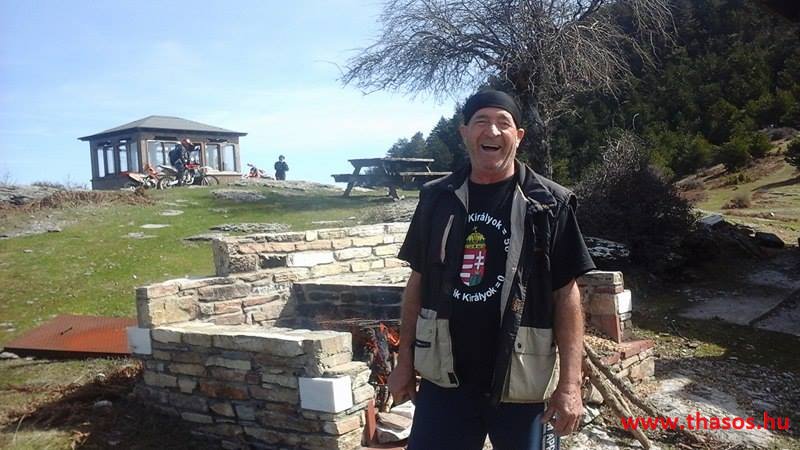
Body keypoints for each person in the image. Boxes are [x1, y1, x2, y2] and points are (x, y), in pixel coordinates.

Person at [390, 89, 596, 450]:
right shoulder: (437, 198)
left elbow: (567, 296)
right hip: (445, 379)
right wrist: (403, 360)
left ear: (519, 136)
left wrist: (570, 384)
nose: (493, 131)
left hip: (523, 382)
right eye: (481, 121)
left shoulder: (549, 204)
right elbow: (417, 282)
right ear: (464, 133)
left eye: (504, 123)